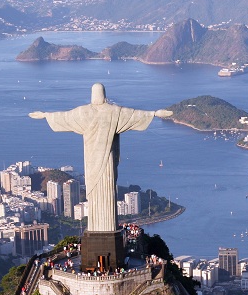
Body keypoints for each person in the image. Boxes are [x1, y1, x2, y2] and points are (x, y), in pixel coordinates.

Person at [30, 83, 172, 232]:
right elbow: (134, 115)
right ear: (104, 94)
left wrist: (46, 115)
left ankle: (100, 228)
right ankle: (105, 228)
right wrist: (154, 113)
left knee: (97, 193)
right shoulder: (114, 112)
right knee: (106, 191)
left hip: (91, 162)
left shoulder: (83, 112)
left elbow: (63, 117)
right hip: (107, 162)